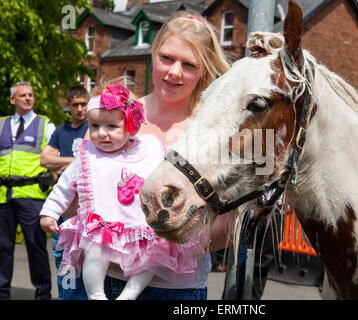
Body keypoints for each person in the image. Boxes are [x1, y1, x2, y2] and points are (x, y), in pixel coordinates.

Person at [103, 11, 233, 300]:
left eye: (189, 65)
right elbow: (81, 194)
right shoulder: (115, 117)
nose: (175, 72)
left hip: (176, 289)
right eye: (167, 58)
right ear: (153, 53)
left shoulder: (213, 132)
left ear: (204, 71)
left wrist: (172, 242)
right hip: (105, 282)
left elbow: (226, 225)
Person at [40, 83, 206, 300]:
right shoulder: (88, 156)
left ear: (131, 128)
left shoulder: (149, 150)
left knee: (153, 258)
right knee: (94, 253)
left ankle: (129, 294)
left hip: (143, 226)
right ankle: (96, 295)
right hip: (103, 226)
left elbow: (173, 175)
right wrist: (49, 212)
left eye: (111, 127)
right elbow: (64, 186)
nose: (101, 134)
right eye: (95, 126)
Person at [0, 81, 56, 300]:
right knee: (2, 247)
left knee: (36, 246)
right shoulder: (1, 124)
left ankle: (43, 294)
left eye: (31, 95)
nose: (28, 98)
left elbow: (53, 157)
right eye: (23, 95)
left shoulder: (45, 125)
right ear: (13, 99)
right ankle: (2, 293)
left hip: (32, 195)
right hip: (4, 195)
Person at [40, 86, 89, 300]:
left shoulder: (94, 127)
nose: (79, 109)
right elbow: (44, 160)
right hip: (62, 206)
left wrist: (63, 164)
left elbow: (95, 158)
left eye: (83, 104)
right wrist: (75, 162)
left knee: (89, 259)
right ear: (68, 106)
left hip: (86, 206)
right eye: (75, 104)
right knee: (63, 257)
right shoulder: (61, 131)